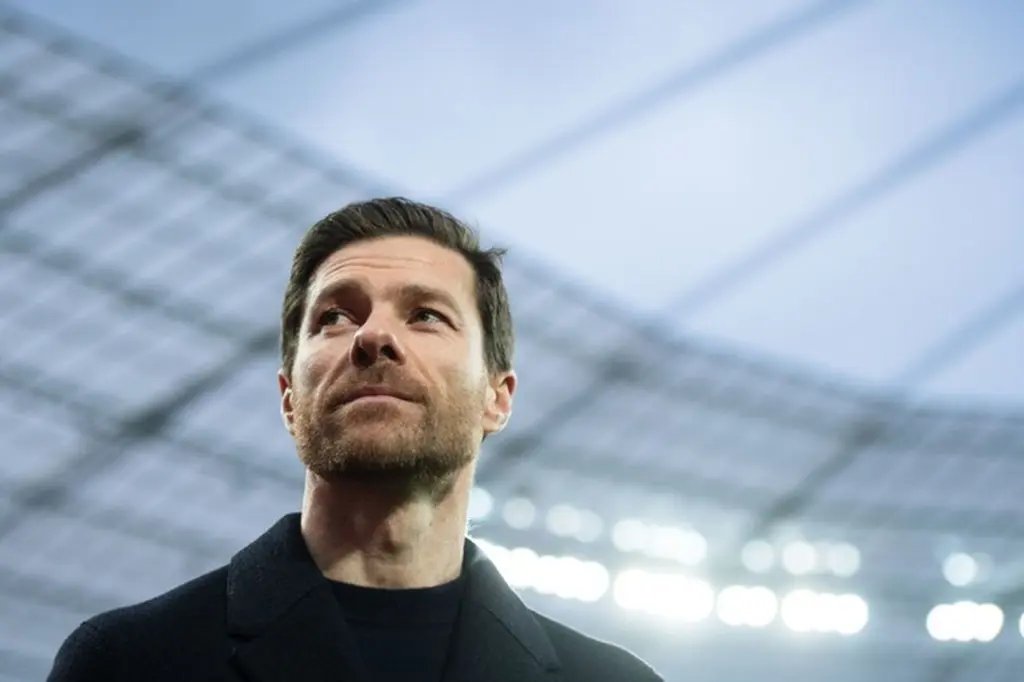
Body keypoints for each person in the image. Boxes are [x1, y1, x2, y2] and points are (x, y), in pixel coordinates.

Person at [46, 198, 663, 682]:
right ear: (289, 399)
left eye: (426, 315)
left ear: (496, 397)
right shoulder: (128, 662)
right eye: (335, 316)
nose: (373, 336)